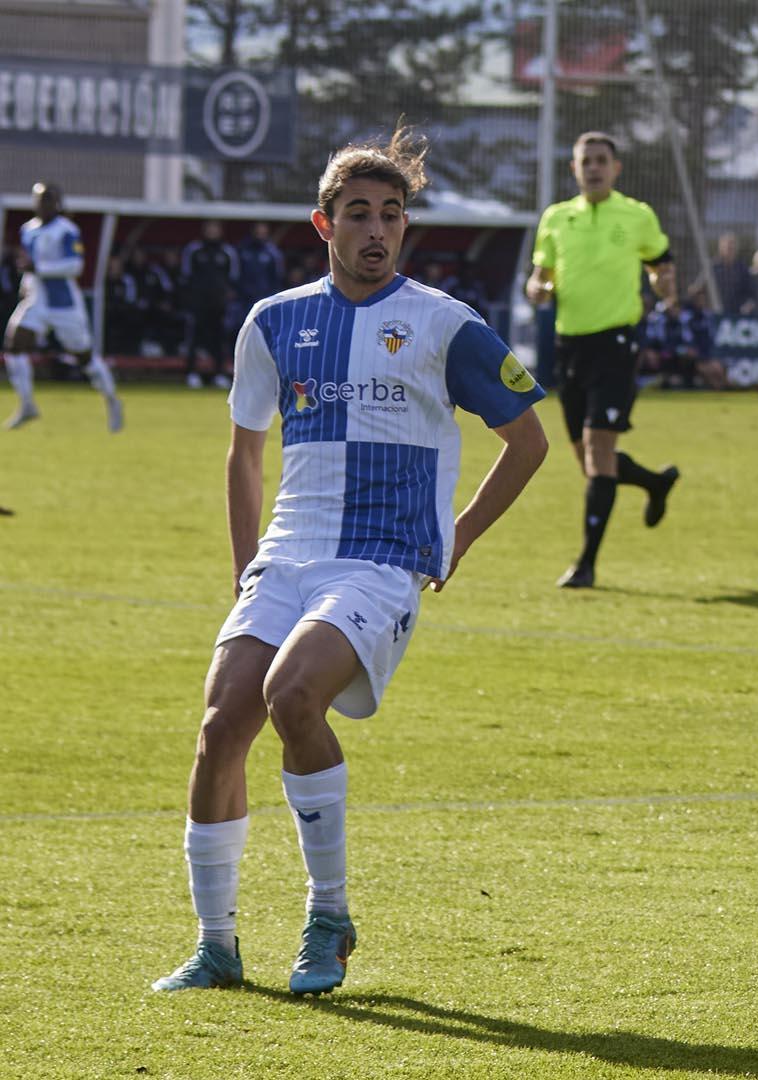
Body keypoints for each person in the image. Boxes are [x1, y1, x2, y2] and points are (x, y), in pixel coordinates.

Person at [149, 127, 549, 996]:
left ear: (405, 226)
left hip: (380, 561)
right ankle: (215, 947)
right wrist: (246, 565)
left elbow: (528, 441)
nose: (377, 229)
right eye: (359, 213)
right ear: (323, 224)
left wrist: (456, 537)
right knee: (219, 728)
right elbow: (243, 453)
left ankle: (328, 916)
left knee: (292, 694)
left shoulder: (446, 324)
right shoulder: (274, 321)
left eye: (391, 214)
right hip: (288, 554)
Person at [526, 131, 683, 590]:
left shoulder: (636, 215)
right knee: (591, 461)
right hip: (569, 345)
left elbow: (661, 261)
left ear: (616, 168)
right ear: (574, 169)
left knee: (598, 451)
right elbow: (540, 277)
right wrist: (537, 289)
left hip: (617, 343)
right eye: (585, 161)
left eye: (601, 160)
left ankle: (586, 564)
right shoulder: (556, 218)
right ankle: (654, 482)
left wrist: (664, 284)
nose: (593, 168)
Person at [5, 181, 123, 432]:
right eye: (40, 199)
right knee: (14, 345)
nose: (43, 204)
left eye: (48, 199)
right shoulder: (28, 229)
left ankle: (111, 399)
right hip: (36, 300)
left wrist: (39, 269)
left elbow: (75, 266)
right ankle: (27, 404)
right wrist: (26, 282)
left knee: (84, 357)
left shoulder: (67, 230)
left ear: (57, 203)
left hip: (63, 304)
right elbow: (29, 264)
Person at [180, 221, 239, 389]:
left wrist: (225, 297)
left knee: (219, 340)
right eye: (209, 229)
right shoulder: (194, 250)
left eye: (215, 229)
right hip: (198, 303)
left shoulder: (227, 252)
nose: (212, 232)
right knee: (194, 338)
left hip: (219, 304)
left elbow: (233, 278)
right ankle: (191, 373)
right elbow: (186, 275)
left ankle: (219, 374)